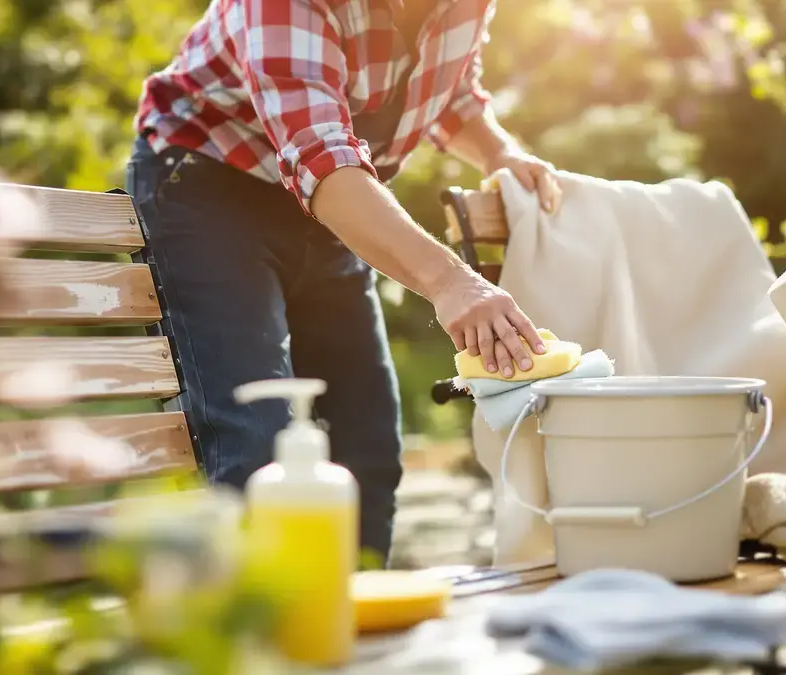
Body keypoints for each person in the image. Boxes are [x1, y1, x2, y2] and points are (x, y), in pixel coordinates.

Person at [126, 0, 560, 561]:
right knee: (254, 441)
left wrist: (500, 152)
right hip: (211, 186)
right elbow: (319, 157)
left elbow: (448, 95)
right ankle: (265, 637)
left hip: (337, 198)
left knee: (367, 447)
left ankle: (355, 622)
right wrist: (452, 282)